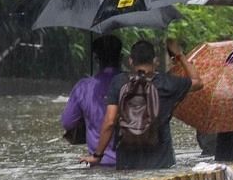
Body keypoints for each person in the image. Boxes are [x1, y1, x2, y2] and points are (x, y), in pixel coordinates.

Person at [82, 39, 202, 170]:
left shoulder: (119, 82)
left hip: (127, 163)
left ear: (130, 61)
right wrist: (179, 54)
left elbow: (109, 122)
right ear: (155, 61)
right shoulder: (167, 83)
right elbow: (197, 82)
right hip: (161, 163)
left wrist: (97, 155)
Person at [60, 35, 123, 167]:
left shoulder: (83, 87)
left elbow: (68, 122)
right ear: (121, 57)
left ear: (96, 59)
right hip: (133, 163)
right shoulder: (132, 83)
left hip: (100, 163)